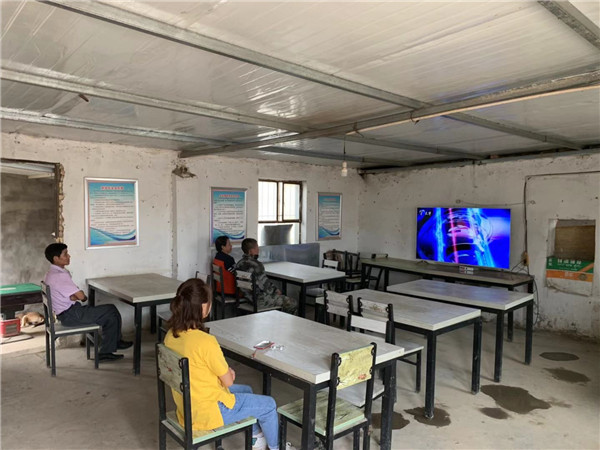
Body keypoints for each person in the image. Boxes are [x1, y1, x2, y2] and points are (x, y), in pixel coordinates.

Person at [164, 278, 295, 450]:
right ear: (203, 307)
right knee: (269, 405)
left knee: (246, 390)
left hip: (188, 406)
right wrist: (228, 373)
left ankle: (256, 438)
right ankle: (276, 447)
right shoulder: (205, 341)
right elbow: (228, 381)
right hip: (209, 412)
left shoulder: (171, 335)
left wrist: (221, 373)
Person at [43, 243, 132, 362]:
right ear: (56, 258)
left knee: (110, 312)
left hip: (67, 313)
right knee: (110, 311)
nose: (69, 256)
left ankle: (115, 342)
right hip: (71, 315)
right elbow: (81, 296)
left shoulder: (50, 274)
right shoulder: (59, 276)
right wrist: (82, 297)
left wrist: (76, 296)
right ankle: (106, 351)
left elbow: (72, 295)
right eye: (65, 254)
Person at [235, 238, 298, 315]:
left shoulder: (239, 264)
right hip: (260, 300)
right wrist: (275, 290)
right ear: (251, 251)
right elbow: (265, 285)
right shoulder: (257, 265)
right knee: (292, 303)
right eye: (256, 248)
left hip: (247, 298)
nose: (258, 250)